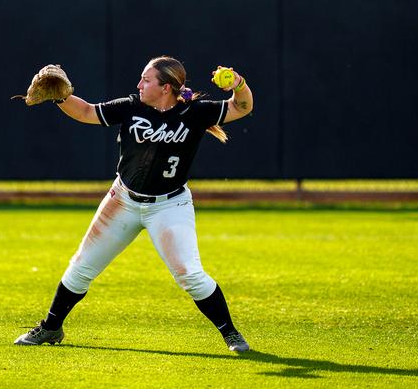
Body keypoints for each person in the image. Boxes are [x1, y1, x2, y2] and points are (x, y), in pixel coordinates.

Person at [14, 56, 254, 352]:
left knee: (190, 275)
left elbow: (242, 106)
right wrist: (61, 98)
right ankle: (51, 328)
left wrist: (239, 84)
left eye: (147, 80)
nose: (139, 84)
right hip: (123, 201)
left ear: (166, 88)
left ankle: (230, 333)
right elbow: (87, 112)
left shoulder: (194, 112)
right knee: (80, 269)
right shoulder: (131, 107)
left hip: (170, 206)